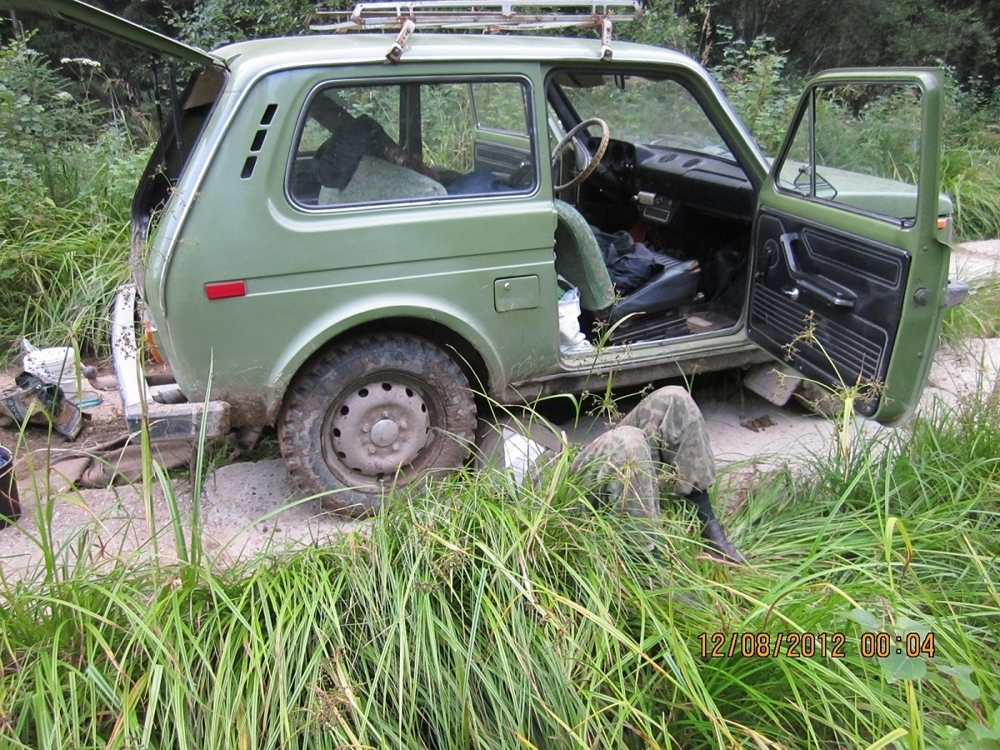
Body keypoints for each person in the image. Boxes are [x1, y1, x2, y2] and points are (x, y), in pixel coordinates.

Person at [484, 385, 745, 563]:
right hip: (551, 500)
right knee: (625, 444)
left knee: (673, 398)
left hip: (571, 461)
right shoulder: (460, 451)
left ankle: (711, 532)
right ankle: (647, 564)